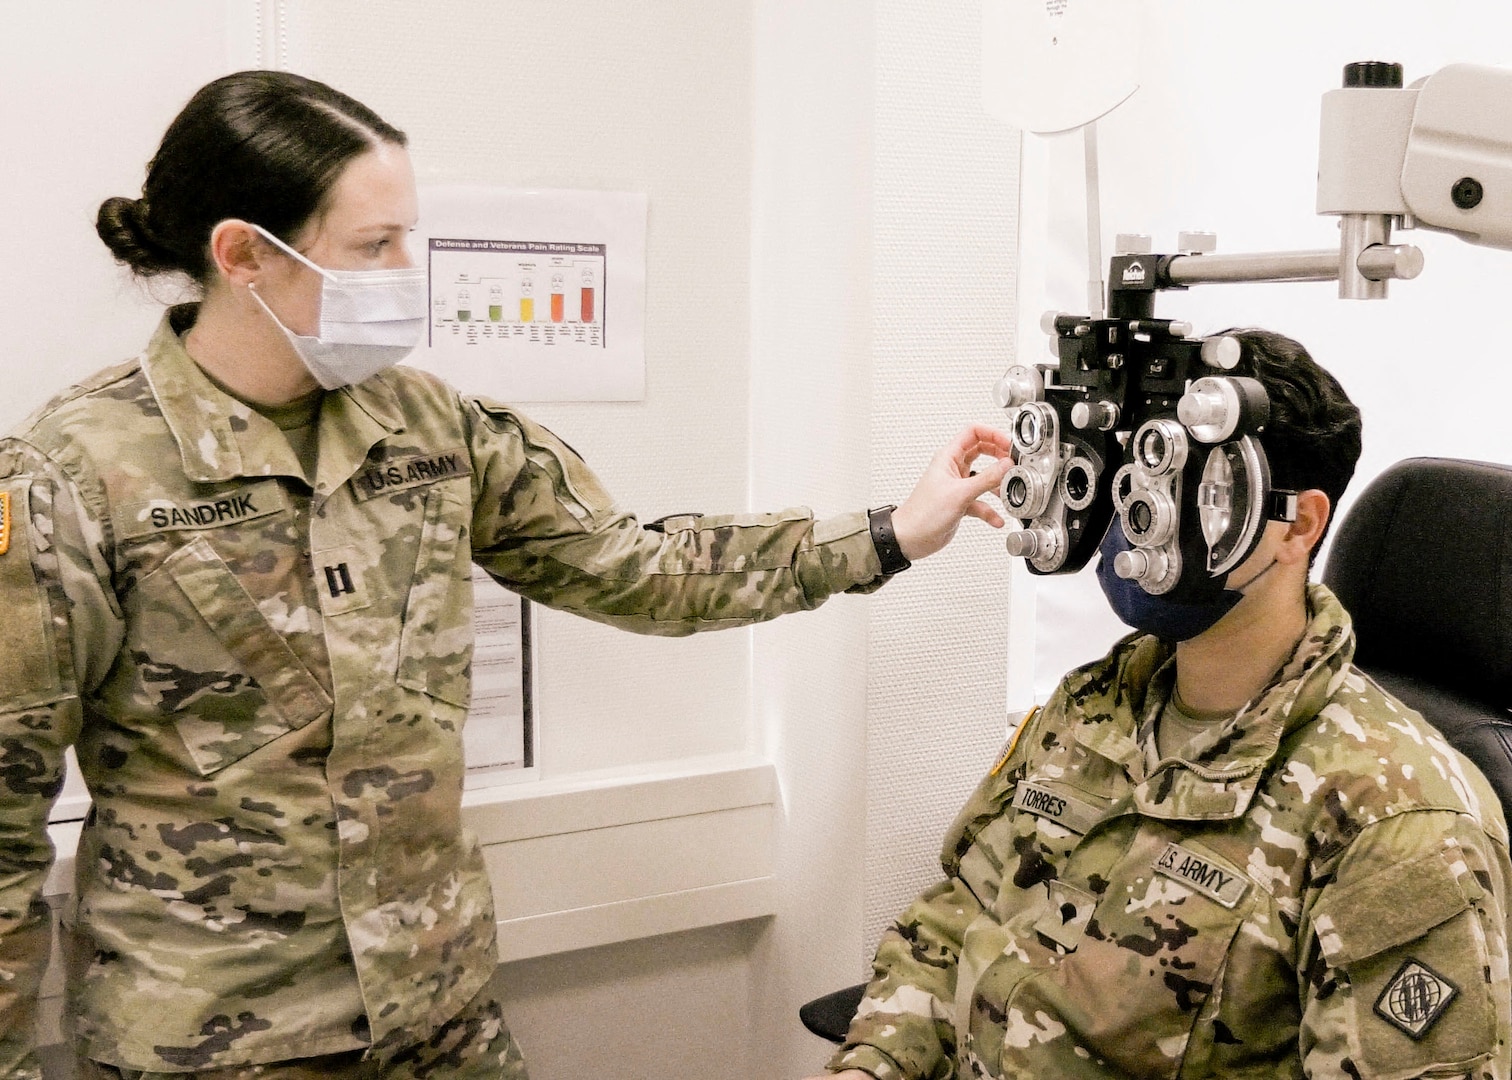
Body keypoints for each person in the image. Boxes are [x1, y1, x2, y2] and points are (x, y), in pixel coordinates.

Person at [0, 71, 1014, 1079]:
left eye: (409, 234)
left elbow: (635, 567)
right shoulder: (76, 476)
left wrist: (888, 534)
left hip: (438, 1018)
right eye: (373, 246)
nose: (410, 268)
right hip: (216, 1043)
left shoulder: (430, 428)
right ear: (242, 255)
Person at [809, 329, 1512, 1079]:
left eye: (1192, 489)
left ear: (1298, 526)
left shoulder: (1396, 819)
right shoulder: (1090, 708)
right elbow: (957, 920)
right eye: (1131, 479)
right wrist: (873, 1064)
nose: (1137, 521)